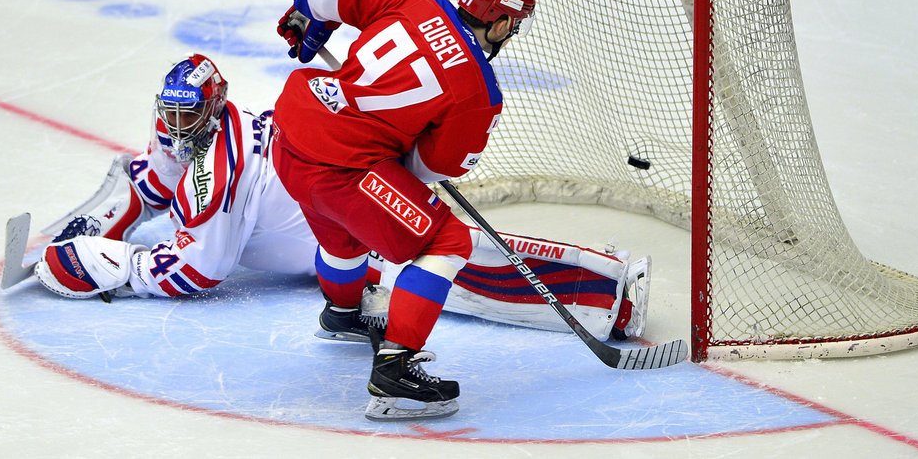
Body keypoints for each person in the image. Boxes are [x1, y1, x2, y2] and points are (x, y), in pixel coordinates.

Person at [32, 54, 650, 351]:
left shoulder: (214, 174)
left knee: (453, 263)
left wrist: (111, 266)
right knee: (449, 249)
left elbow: (198, 270)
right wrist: (121, 208)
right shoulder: (198, 130)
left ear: (213, 108)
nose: (172, 123)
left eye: (184, 113)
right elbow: (155, 173)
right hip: (336, 178)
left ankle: (608, 294)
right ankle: (601, 287)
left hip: (341, 213)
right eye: (168, 112)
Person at [271, 0, 549, 420]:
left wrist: (307, 20)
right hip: (342, 167)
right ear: (500, 22)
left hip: (289, 132)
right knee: (449, 240)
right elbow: (430, 167)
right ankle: (395, 367)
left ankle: (343, 312)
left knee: (345, 230)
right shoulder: (480, 92)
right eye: (512, 25)